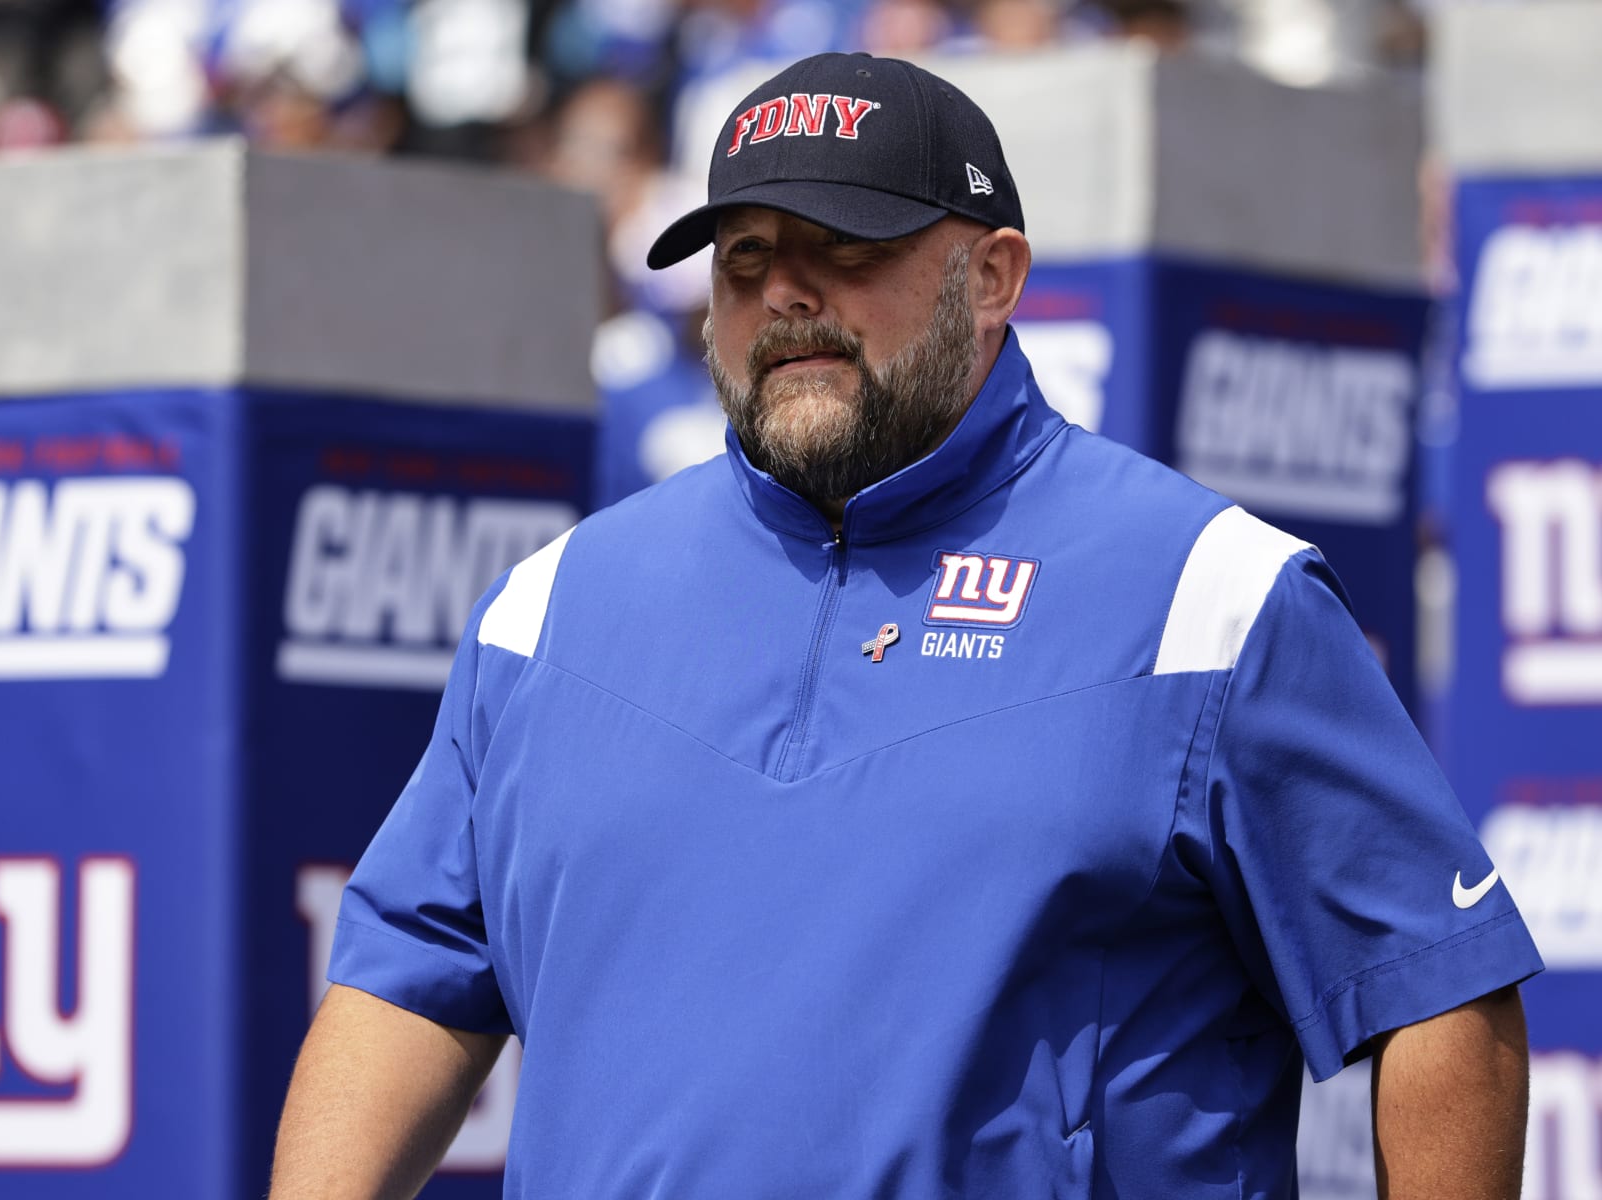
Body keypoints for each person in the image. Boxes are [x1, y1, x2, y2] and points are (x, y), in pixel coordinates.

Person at [270, 52, 1541, 1199]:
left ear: (992, 276)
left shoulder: (1210, 593)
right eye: (747, 259)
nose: (787, 295)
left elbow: (1441, 994)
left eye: (848, 247)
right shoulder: (555, 605)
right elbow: (406, 985)